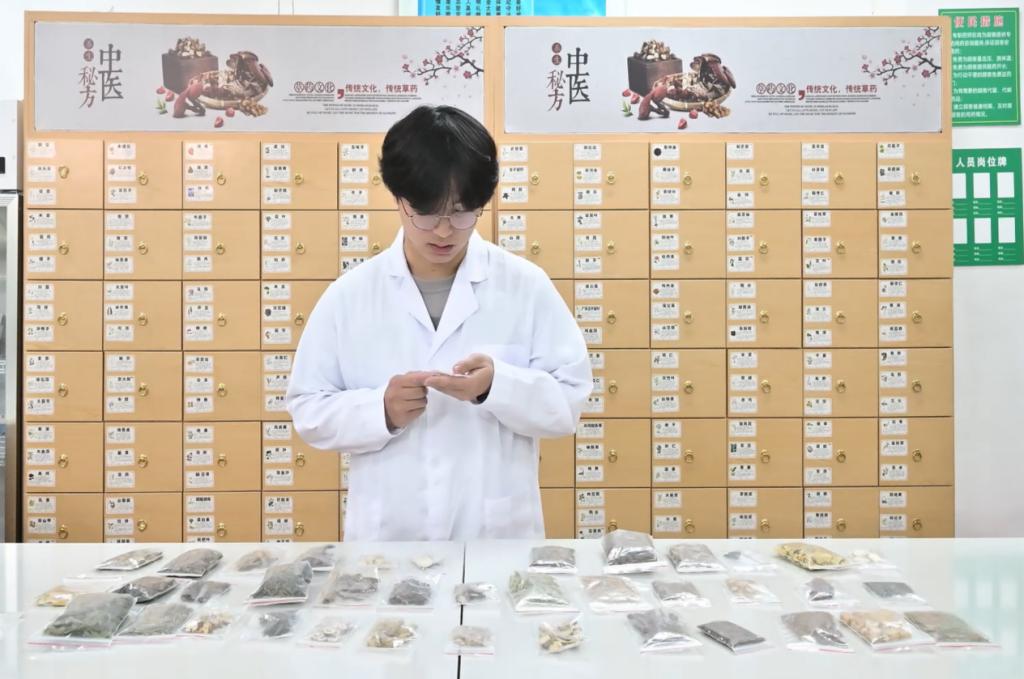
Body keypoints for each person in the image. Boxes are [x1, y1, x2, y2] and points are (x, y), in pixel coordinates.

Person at [285, 105, 592, 541]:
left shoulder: (525, 286)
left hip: (493, 536)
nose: (445, 231)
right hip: (390, 537)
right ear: (398, 197)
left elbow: (567, 403)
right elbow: (308, 408)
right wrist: (380, 410)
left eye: (462, 212)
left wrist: (497, 387)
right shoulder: (351, 296)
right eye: (427, 213)